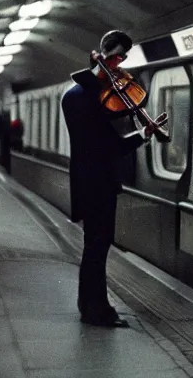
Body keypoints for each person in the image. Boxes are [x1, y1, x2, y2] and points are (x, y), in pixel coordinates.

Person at [61, 30, 157, 328]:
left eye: (124, 58)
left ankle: (89, 305)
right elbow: (109, 146)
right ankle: (96, 311)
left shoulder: (82, 95)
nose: (120, 64)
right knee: (97, 247)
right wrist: (143, 135)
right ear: (102, 54)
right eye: (116, 57)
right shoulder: (85, 98)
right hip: (97, 183)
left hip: (91, 181)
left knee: (96, 247)